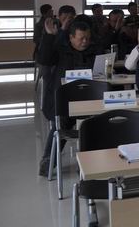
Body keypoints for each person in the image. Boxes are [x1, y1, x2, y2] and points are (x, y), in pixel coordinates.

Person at [37, 18, 102, 176]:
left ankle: (90, 162)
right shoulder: (60, 50)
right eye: (81, 38)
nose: (85, 41)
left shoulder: (95, 51)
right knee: (61, 124)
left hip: (90, 101)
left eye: (87, 38)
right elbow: (44, 59)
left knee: (97, 124)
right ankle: (48, 160)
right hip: (64, 102)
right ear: (71, 37)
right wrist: (50, 36)